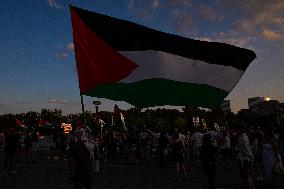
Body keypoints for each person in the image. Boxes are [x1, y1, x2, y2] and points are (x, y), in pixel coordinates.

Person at [235, 124, 254, 189]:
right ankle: (250, 185)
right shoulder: (245, 136)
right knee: (247, 174)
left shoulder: (242, 137)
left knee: (246, 175)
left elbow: (240, 148)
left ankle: (249, 186)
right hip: (247, 157)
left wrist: (237, 149)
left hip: (244, 158)